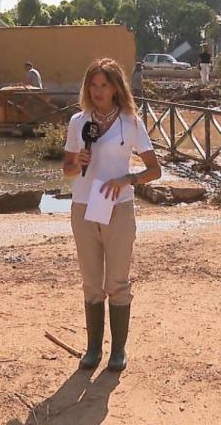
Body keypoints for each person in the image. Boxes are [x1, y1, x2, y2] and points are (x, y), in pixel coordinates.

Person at [62, 58, 161, 372]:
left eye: (104, 85)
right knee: (91, 283)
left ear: (117, 87)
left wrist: (127, 179)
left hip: (118, 209)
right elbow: (67, 170)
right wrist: (77, 160)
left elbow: (154, 170)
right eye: (93, 84)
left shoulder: (131, 122)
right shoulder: (78, 122)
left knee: (117, 282)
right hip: (83, 207)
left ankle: (118, 351)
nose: (98, 90)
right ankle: (93, 349)